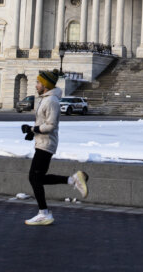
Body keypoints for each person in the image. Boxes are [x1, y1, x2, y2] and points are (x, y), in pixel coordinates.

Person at [20, 69, 88, 226]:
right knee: (37, 178)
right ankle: (73, 180)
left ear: (45, 85)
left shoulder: (51, 101)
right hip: (42, 142)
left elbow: (51, 125)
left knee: (34, 178)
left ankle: (44, 213)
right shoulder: (46, 99)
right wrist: (32, 132)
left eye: (38, 82)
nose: (36, 85)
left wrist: (33, 129)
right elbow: (43, 123)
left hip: (47, 144)